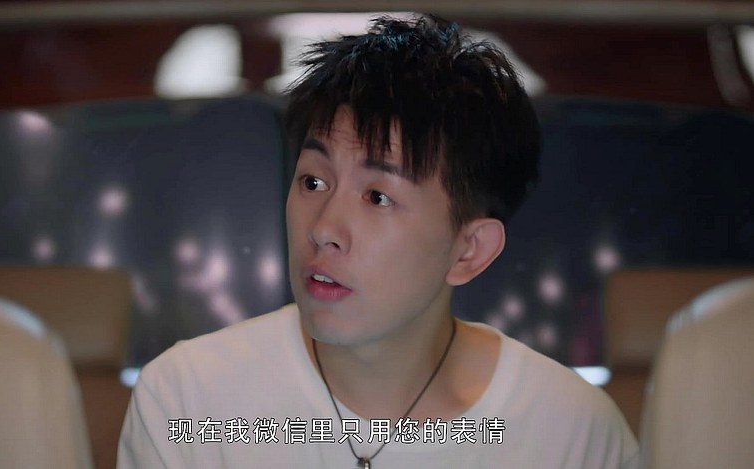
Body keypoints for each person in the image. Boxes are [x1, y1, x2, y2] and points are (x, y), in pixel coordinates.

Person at [118, 15, 638, 468]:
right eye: (313, 182)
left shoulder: (570, 432)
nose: (323, 229)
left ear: (469, 250)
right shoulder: (190, 403)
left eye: (377, 196)